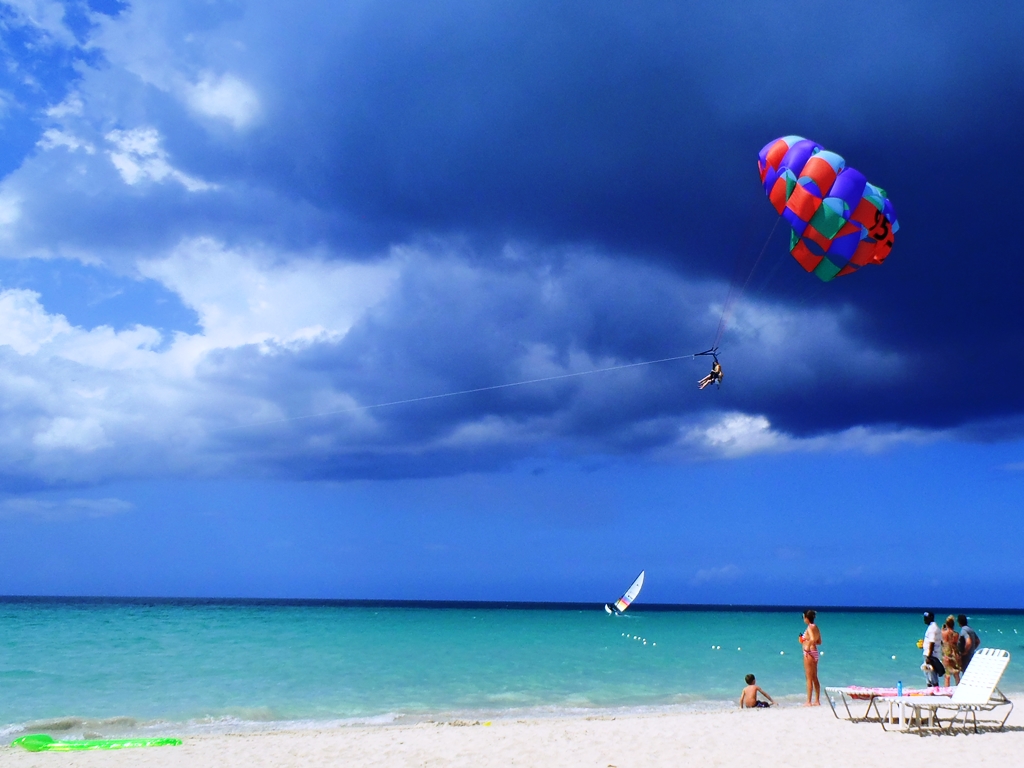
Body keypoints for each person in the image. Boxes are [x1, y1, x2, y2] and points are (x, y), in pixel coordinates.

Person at [800, 609, 821, 706]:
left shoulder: (809, 627)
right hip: (815, 652)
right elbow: (819, 641)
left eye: (803, 617)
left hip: (809, 653)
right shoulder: (815, 627)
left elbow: (812, 639)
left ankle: (808, 701)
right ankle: (817, 700)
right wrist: (806, 640)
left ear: (806, 618)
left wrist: (807, 646)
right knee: (814, 677)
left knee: (808, 678)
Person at [921, 611, 945, 687]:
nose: (924, 620)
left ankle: (934, 691)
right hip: (933, 653)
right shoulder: (934, 627)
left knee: (932, 675)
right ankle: (931, 690)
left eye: (926, 618)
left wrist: (929, 656)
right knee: (928, 673)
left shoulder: (932, 628)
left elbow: (932, 642)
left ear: (930, 618)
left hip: (931, 655)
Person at [941, 615, 961, 686]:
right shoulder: (956, 634)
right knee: (956, 674)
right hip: (954, 654)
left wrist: (942, 629)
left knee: (947, 675)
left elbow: (942, 641)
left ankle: (947, 690)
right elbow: (955, 644)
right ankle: (958, 688)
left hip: (946, 654)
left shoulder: (943, 633)